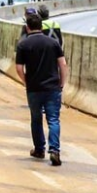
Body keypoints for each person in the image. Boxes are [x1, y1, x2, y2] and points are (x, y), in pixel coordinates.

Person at [16, 13, 69, 166]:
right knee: (53, 119)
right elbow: (63, 65)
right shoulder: (53, 43)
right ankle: (54, 150)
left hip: (34, 88)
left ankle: (39, 149)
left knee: (36, 119)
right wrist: (61, 83)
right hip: (52, 87)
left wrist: (26, 82)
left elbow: (19, 68)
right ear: (41, 26)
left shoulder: (23, 44)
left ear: (27, 27)